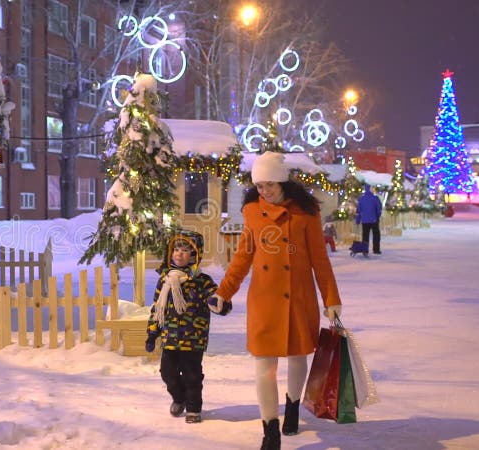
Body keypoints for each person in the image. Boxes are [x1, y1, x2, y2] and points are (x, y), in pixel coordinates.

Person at [208, 152, 342, 449]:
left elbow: (320, 259)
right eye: (259, 185)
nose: (264, 191)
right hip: (265, 300)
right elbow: (243, 255)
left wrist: (331, 298)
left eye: (269, 184)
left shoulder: (306, 213)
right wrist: (223, 292)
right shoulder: (252, 212)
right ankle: (270, 429)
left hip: (299, 297)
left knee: (297, 357)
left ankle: (292, 406)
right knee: (264, 367)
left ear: (281, 180)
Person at [145, 230, 228, 424]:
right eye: (176, 249)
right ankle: (179, 398)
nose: (179, 254)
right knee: (167, 373)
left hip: (193, 338)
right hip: (170, 338)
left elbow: (216, 298)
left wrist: (221, 305)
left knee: (192, 376)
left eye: (185, 251)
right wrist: (152, 334)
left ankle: (193, 408)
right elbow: (157, 308)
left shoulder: (202, 281)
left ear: (195, 255)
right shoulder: (165, 280)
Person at [356, 184, 383, 254]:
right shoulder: (375, 198)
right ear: (370, 189)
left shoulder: (361, 199)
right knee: (376, 235)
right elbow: (379, 209)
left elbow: (358, 210)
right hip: (374, 220)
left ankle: (365, 250)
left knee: (365, 235)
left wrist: (358, 220)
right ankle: (376, 250)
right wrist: (377, 216)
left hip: (364, 220)